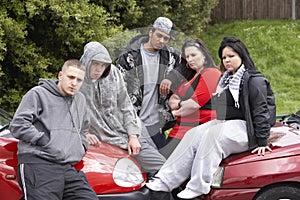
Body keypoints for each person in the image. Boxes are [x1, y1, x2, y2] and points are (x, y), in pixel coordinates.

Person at [146, 36, 274, 199]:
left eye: (231, 56)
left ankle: (198, 186)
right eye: (224, 57)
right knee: (193, 134)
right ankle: (164, 180)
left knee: (213, 136)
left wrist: (262, 139)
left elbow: (261, 110)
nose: (227, 60)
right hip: (230, 123)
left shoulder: (254, 80)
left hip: (249, 128)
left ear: (242, 55)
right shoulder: (226, 79)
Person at [9, 59, 98, 200]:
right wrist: (45, 141)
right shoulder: (38, 93)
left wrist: (80, 146)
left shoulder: (80, 100)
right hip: (39, 163)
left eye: (79, 80)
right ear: (60, 75)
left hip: (66, 166)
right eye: (71, 77)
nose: (74, 83)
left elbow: (83, 129)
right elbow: (18, 124)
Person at [80, 41, 166, 174]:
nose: (99, 69)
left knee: (162, 167)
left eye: (103, 65)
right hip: (101, 140)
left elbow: (126, 105)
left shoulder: (113, 73)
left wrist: (133, 136)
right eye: (95, 63)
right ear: (87, 61)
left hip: (128, 133)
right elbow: (69, 112)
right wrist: (85, 133)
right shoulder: (76, 80)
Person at [116, 17, 184, 149]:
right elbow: (118, 90)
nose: (161, 41)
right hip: (133, 124)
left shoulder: (171, 56)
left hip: (156, 125)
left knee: (162, 164)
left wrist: (172, 77)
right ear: (151, 32)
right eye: (159, 35)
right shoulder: (128, 57)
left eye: (166, 38)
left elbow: (190, 64)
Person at [160, 39, 222, 159]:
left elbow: (193, 105)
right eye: (187, 56)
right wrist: (182, 104)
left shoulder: (211, 73)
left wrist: (174, 113)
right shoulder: (192, 78)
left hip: (192, 132)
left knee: (164, 167)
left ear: (204, 54)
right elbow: (172, 100)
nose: (190, 59)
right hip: (181, 131)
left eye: (193, 55)